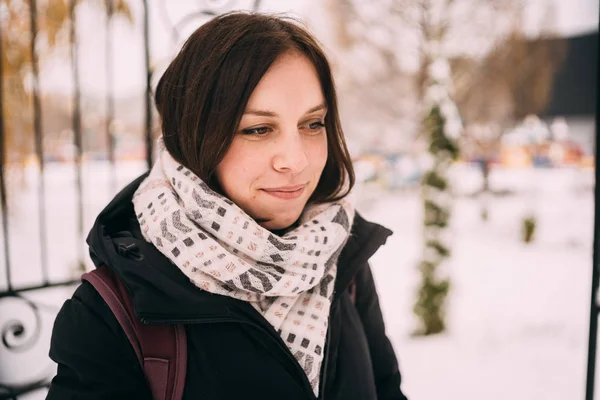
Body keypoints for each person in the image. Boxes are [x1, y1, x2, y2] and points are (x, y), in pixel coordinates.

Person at [46, 12, 408, 400]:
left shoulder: (340, 253)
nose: (296, 159)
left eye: (312, 123)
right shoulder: (110, 315)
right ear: (197, 135)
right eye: (258, 129)